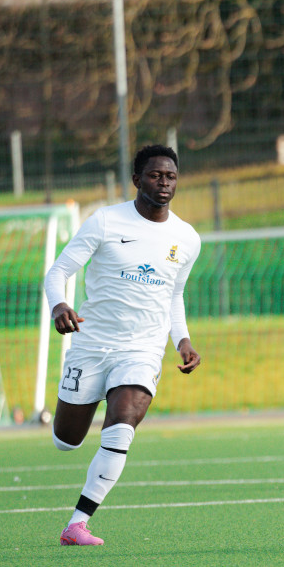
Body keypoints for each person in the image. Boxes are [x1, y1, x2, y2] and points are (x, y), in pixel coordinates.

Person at [44, 144, 202, 546]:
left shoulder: (186, 238)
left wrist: (182, 340)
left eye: (170, 176)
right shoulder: (104, 221)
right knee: (67, 440)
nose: (164, 183)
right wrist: (59, 304)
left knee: (123, 422)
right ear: (136, 180)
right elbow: (59, 271)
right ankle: (92, 405)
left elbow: (173, 295)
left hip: (142, 349)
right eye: (155, 175)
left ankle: (77, 523)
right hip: (91, 344)